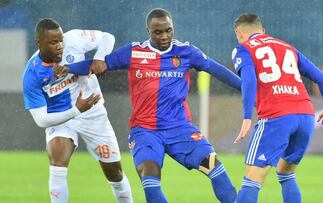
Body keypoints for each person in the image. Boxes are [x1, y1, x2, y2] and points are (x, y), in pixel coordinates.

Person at [57, 8, 243, 203]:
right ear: (148, 31)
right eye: (158, 32)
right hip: (145, 132)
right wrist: (68, 68)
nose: (164, 36)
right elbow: (98, 64)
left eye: (168, 30)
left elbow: (218, 70)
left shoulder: (187, 52)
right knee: (150, 180)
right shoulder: (134, 52)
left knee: (216, 168)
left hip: (180, 129)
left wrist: (248, 90)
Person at [22, 18, 133, 203]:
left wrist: (99, 57)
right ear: (39, 43)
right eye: (53, 42)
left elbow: (107, 37)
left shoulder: (73, 39)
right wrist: (76, 110)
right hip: (62, 118)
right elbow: (41, 120)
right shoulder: (32, 74)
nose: (60, 46)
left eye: (60, 41)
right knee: (57, 163)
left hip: (93, 112)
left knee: (115, 173)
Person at [231, 13, 323, 203]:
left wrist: (247, 116)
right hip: (305, 115)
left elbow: (249, 80)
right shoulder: (288, 47)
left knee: (253, 177)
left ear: (239, 33)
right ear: (263, 31)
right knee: (287, 173)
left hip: (276, 117)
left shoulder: (243, 49)